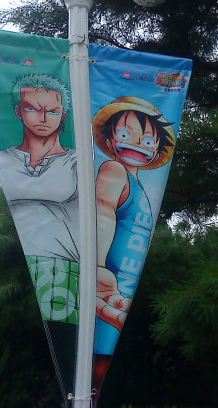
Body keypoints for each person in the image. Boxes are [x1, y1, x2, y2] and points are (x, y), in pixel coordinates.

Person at [92, 96, 175, 349]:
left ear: (156, 150)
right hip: (105, 285)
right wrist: (97, 266)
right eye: (125, 135)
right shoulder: (114, 170)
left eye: (148, 141)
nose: (138, 144)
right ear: (110, 141)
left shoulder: (137, 187)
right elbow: (102, 212)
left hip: (119, 293)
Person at [0, 74, 79, 262]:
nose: (43, 118)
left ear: (63, 116)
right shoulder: (0, 159)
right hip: (11, 262)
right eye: (32, 109)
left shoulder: (79, 164)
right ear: (18, 111)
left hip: (68, 265)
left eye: (53, 111)